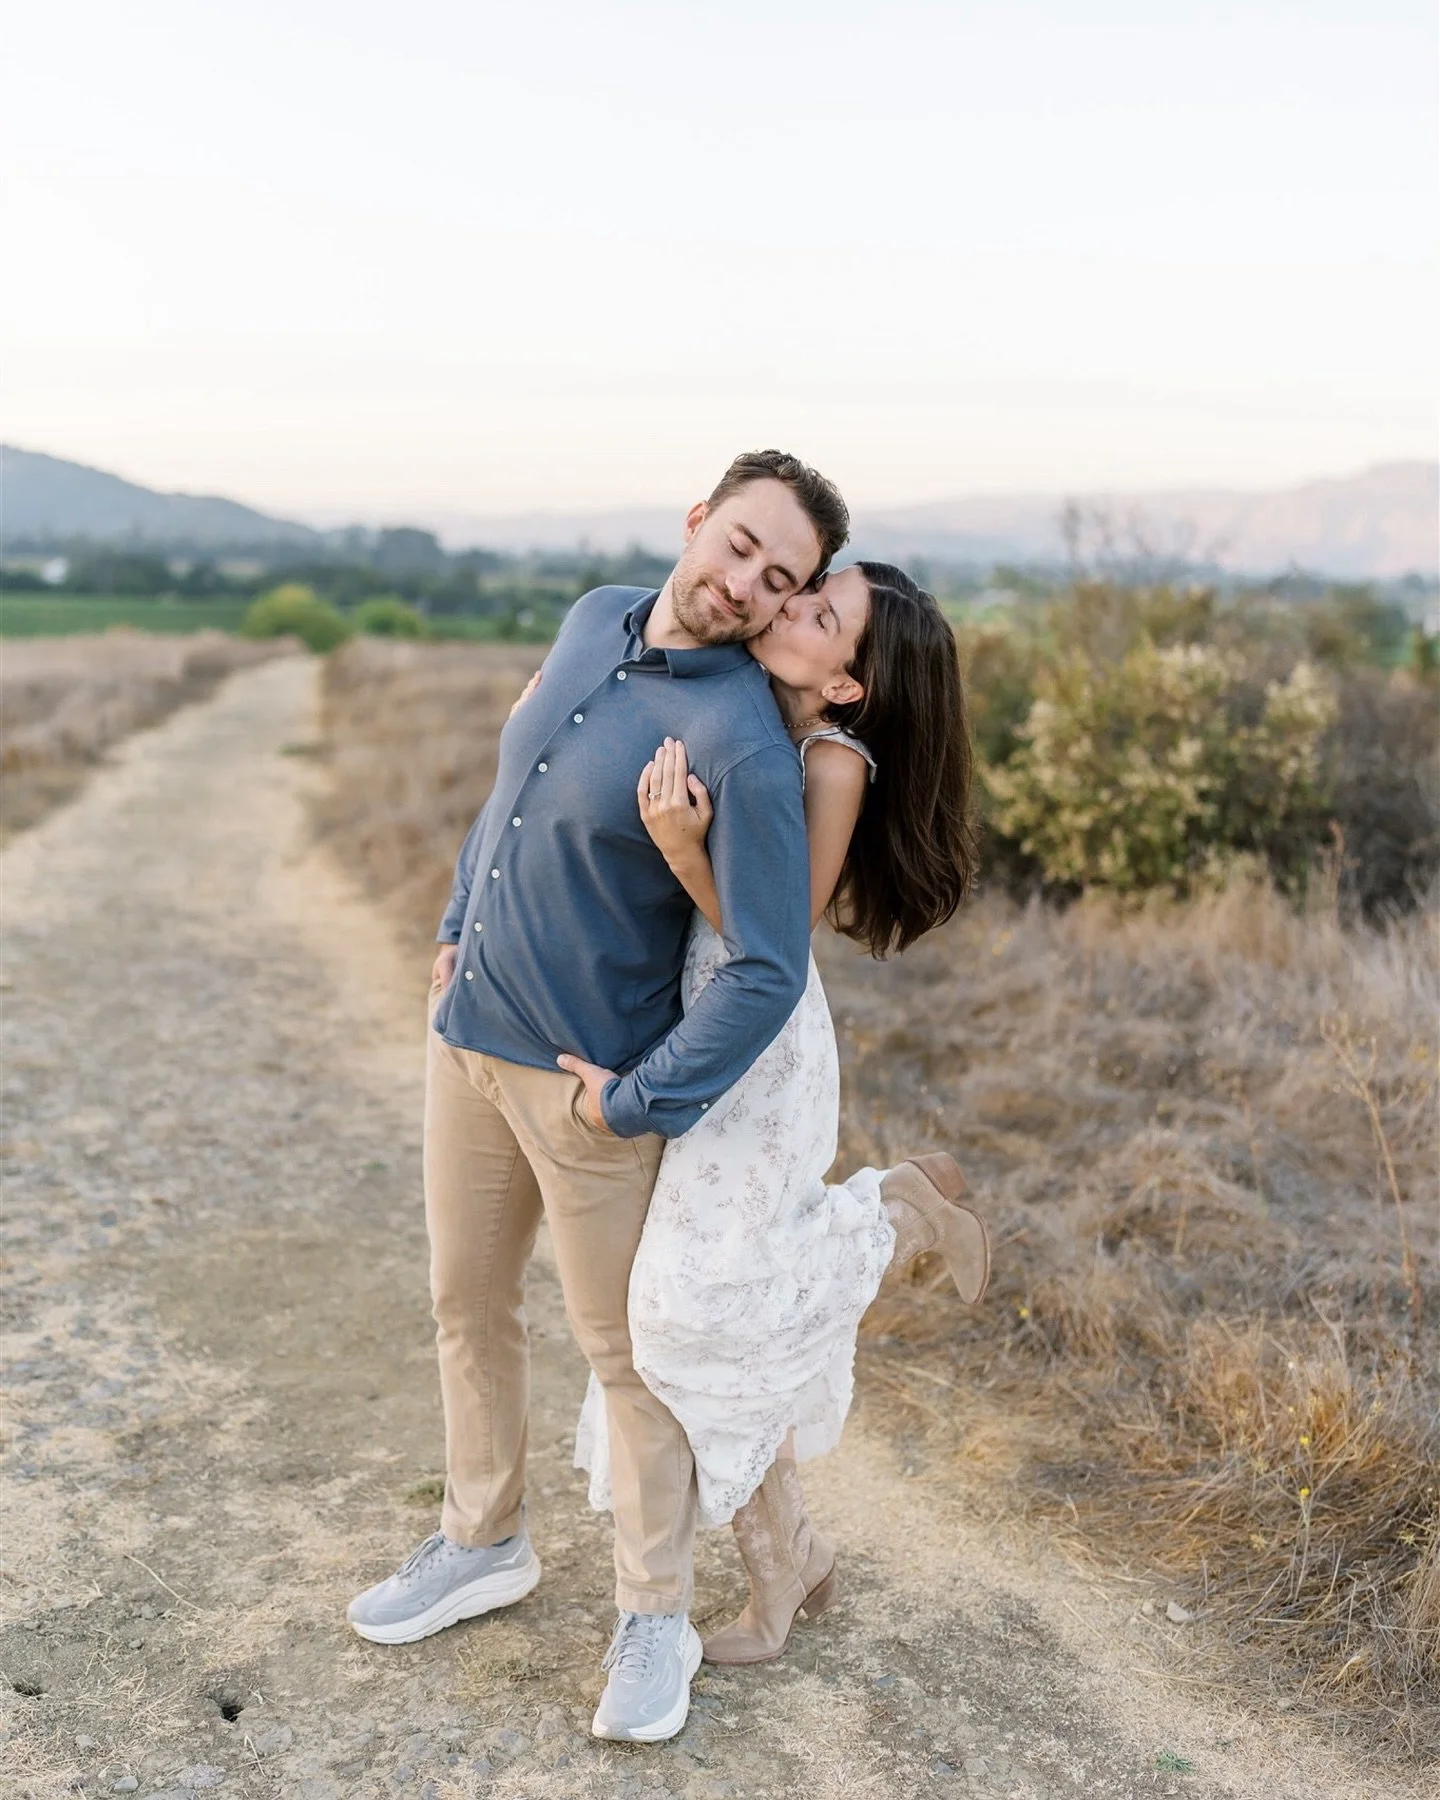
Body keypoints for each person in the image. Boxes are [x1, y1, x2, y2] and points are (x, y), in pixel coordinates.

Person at [346, 449, 850, 1745]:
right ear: (699, 521)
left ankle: (653, 1617)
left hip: (589, 1094)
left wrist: (641, 1101)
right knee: (464, 1302)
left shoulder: (742, 738)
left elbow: (767, 968)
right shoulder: (592, 617)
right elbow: (508, 796)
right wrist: (459, 918)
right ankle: (482, 1538)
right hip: (468, 1041)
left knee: (632, 1365)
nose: (748, 583)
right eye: (741, 545)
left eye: (782, 578)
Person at [566, 561, 988, 1665]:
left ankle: (890, 1213)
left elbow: (773, 942)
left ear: (846, 684)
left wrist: (680, 849)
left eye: (821, 613)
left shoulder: (833, 760)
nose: (790, 605)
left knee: (689, 1308)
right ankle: (784, 1565)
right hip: (701, 1026)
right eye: (808, 592)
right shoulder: (749, 709)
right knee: (722, 1315)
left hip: (764, 1047)